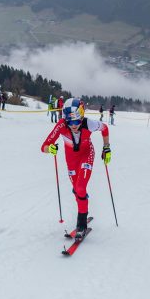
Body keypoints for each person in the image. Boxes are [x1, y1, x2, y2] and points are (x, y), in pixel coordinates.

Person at [40, 98, 111, 237]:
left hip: (87, 154)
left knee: (80, 188)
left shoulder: (89, 124)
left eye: (77, 121)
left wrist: (106, 147)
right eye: (70, 122)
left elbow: (105, 128)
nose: (73, 125)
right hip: (71, 160)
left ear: (82, 116)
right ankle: (82, 200)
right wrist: (51, 149)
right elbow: (44, 146)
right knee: (77, 191)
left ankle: (81, 224)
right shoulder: (61, 125)